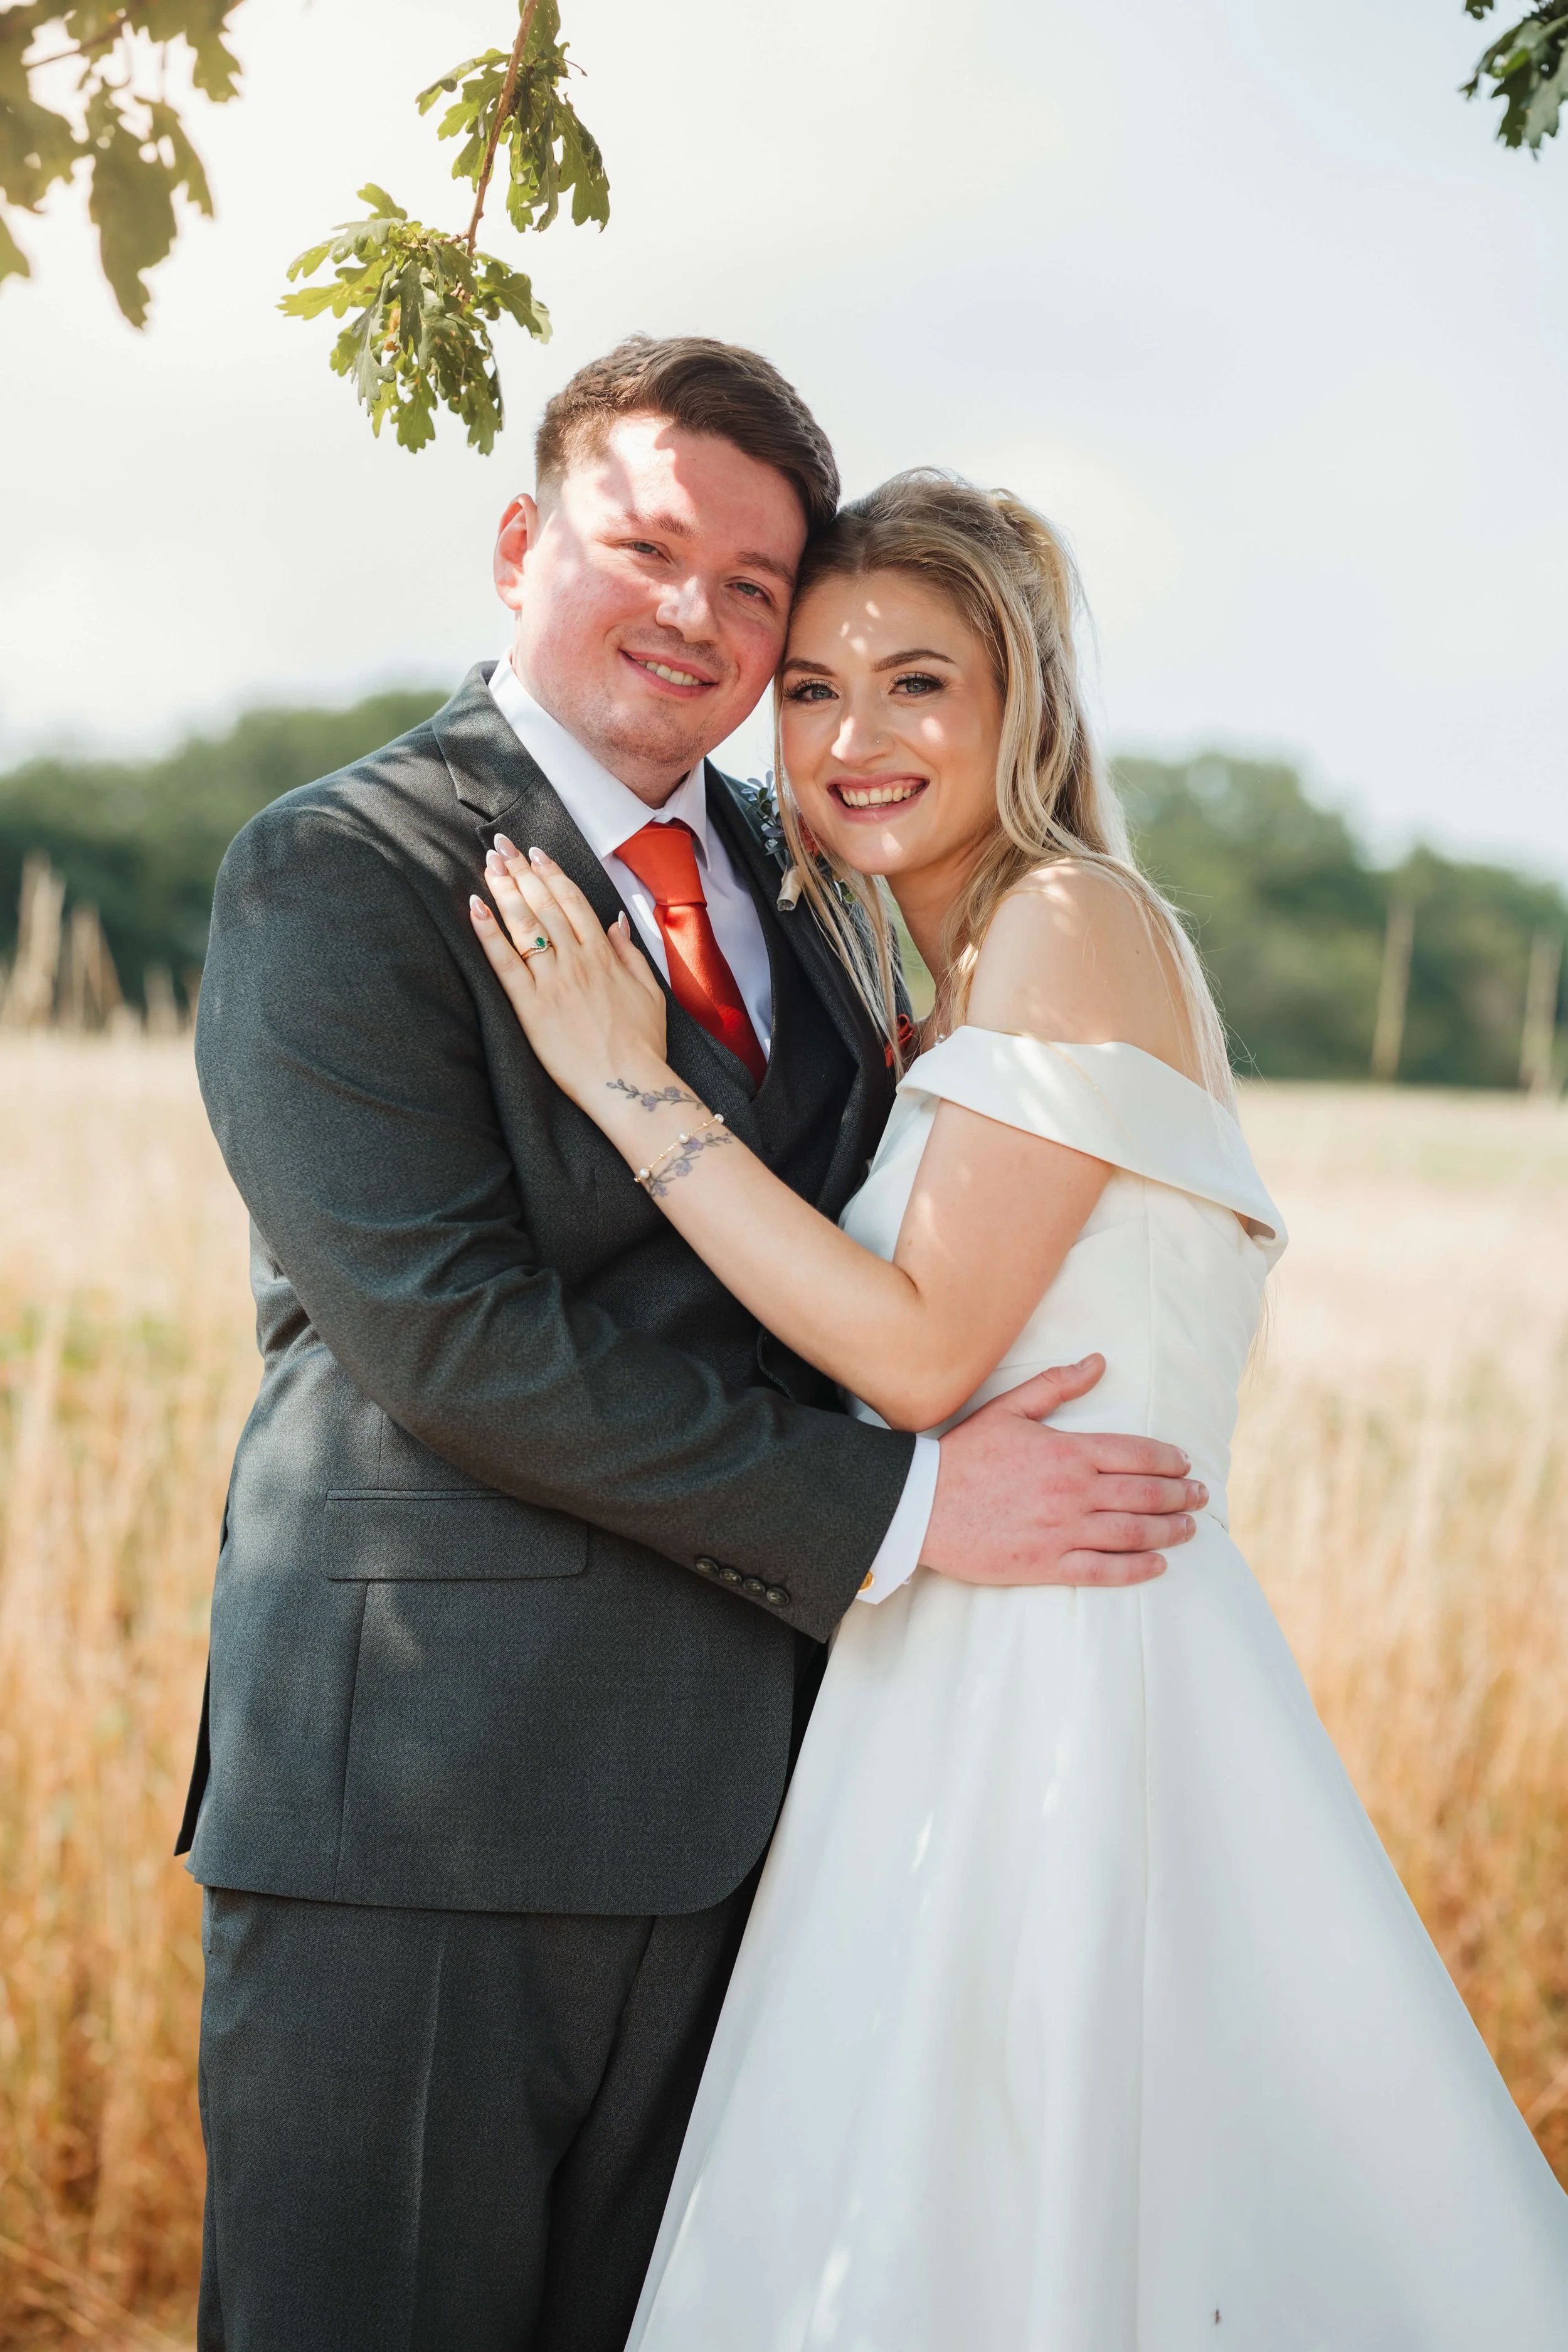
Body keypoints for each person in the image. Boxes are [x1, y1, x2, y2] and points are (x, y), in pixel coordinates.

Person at [470, 469, 1568, 2348]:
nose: (855, 739)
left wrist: (623, 1083)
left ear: (1023, 706)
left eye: (918, 683)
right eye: (811, 690)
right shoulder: (947, 975)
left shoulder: (1066, 920)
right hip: (958, 1653)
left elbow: (913, 1356)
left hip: (1067, 1672)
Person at [183, 338, 1204, 2352]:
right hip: (430, 1809)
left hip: (771, 1821)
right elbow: (450, 1339)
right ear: (517, 547)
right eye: (645, 548)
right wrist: (904, 1505)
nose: (698, 614)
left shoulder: (812, 867)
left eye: (753, 585)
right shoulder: (342, 868)